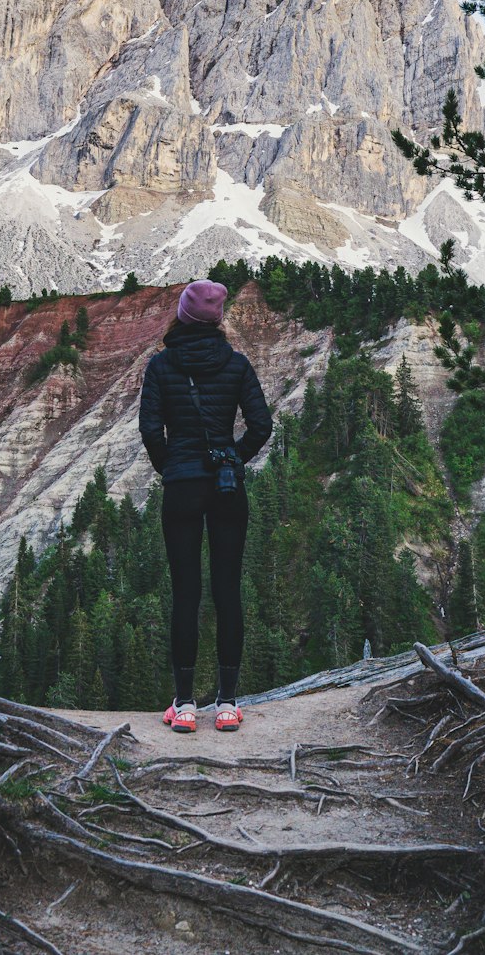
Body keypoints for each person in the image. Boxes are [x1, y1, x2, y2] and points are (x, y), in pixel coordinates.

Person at [139, 279, 273, 733]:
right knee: (227, 591)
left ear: (182, 315)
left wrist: (171, 467)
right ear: (216, 320)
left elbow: (150, 429)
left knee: (186, 594)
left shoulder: (160, 366)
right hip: (227, 488)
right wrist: (234, 457)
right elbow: (261, 424)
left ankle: (185, 705)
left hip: (181, 487)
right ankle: (229, 704)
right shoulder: (236, 365)